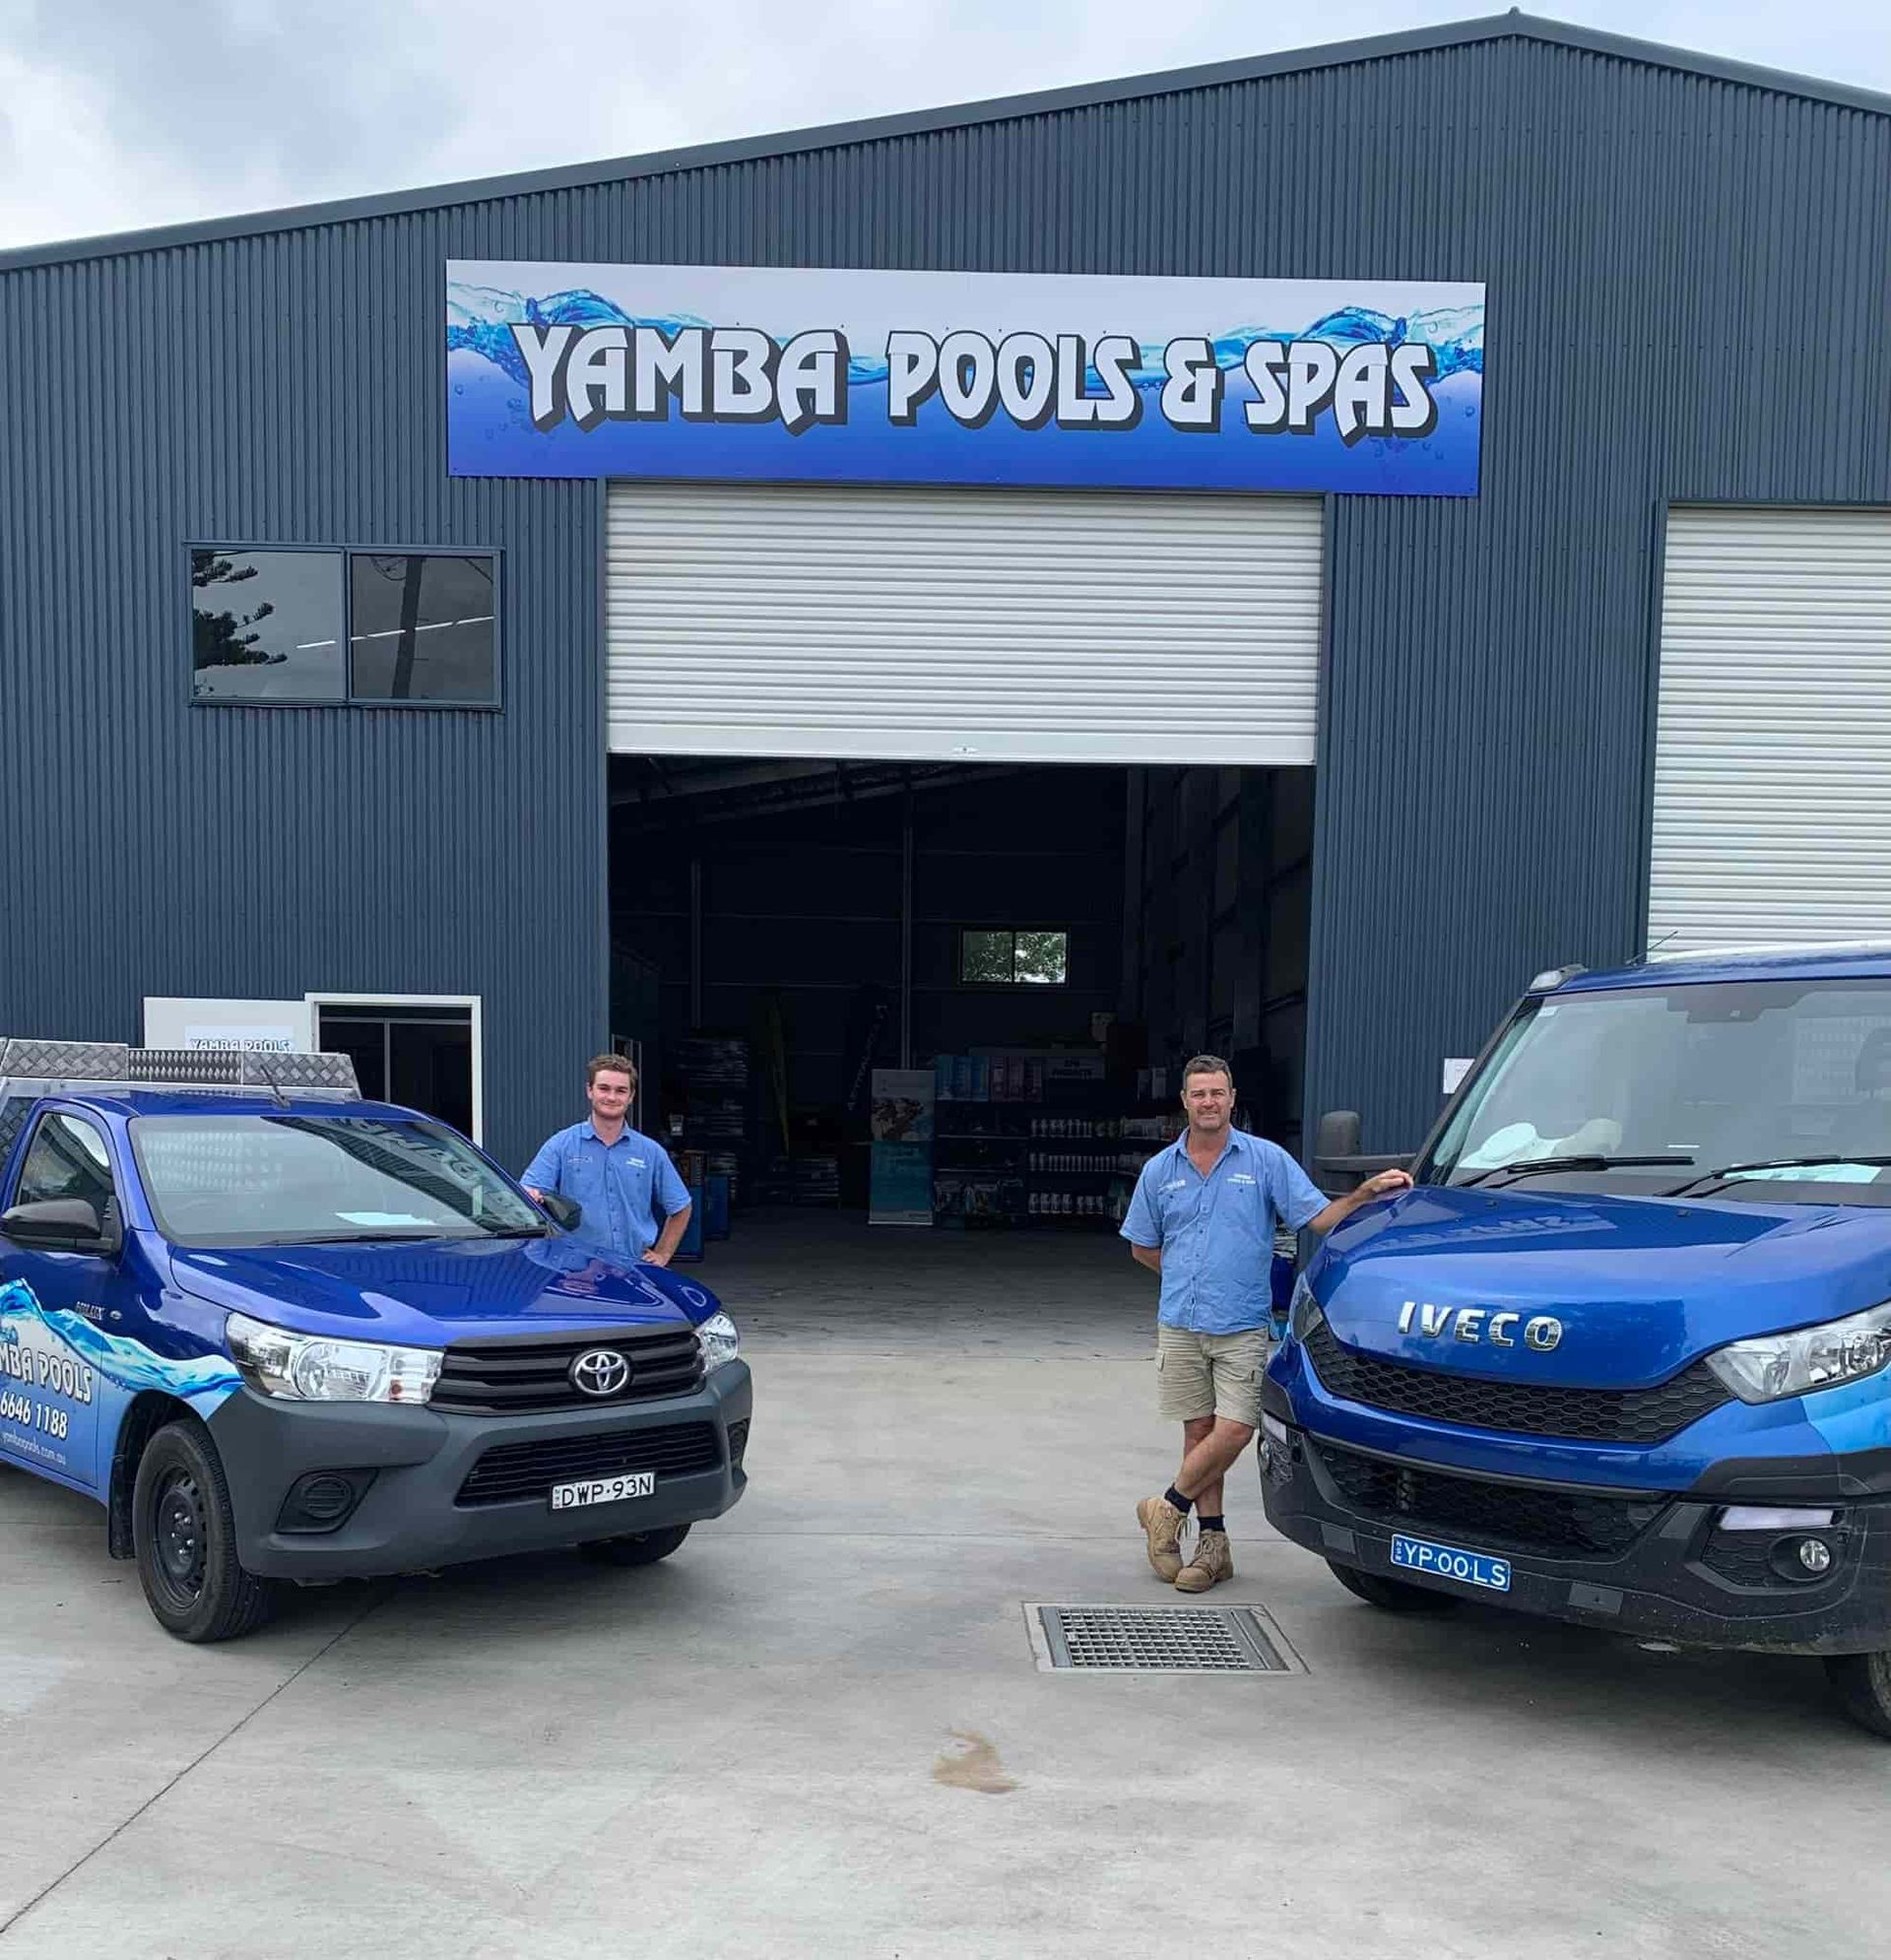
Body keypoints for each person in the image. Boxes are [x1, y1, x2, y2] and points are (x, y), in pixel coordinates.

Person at [1123, 1054, 1411, 1593]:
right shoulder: (1160, 1171)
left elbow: (1318, 1219)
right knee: (1199, 1431)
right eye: (1199, 1094)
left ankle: (1165, 1507)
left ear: (1233, 1099)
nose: (1209, 1102)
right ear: (1184, 1102)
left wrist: (1362, 1194)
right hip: (1181, 1323)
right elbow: (1143, 1245)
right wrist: (1188, 1275)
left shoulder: (1264, 1161)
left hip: (1241, 1325)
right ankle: (1213, 1548)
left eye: (1218, 1093)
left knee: (1236, 1427)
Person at [522, 1053, 693, 1268]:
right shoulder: (561, 1145)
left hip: (633, 1268)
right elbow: (527, 1195)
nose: (611, 1097)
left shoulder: (650, 1152)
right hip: (576, 1272)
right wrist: (533, 1195)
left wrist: (662, 1254)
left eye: (621, 1090)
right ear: (589, 1091)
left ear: (631, 1096)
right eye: (604, 1088)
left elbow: (681, 1206)